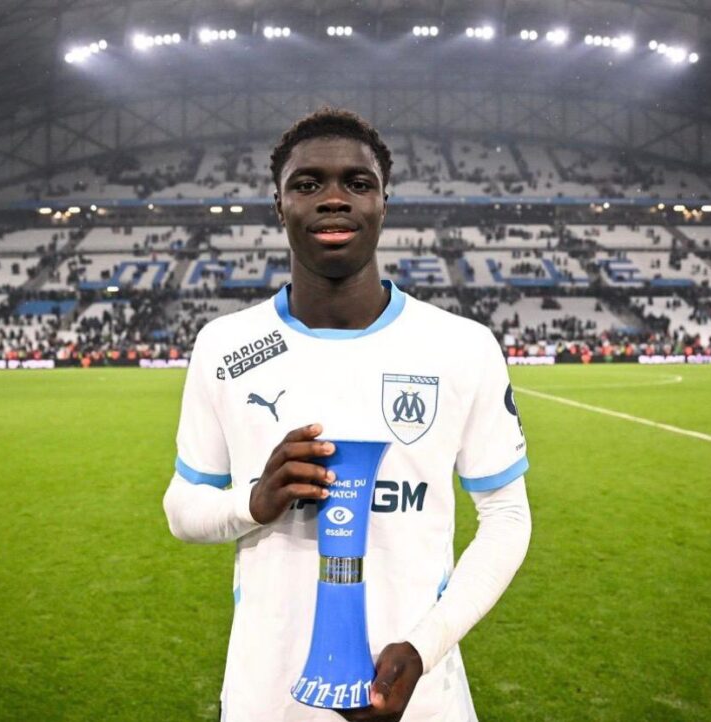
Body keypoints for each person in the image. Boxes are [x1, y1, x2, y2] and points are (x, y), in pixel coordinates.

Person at [163, 108, 532, 722]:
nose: (333, 199)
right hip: (267, 699)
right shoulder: (225, 346)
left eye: (358, 184)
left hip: (422, 699)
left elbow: (507, 517)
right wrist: (252, 502)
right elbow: (182, 507)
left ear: (384, 203)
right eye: (307, 184)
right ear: (279, 205)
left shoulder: (462, 346)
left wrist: (424, 647)